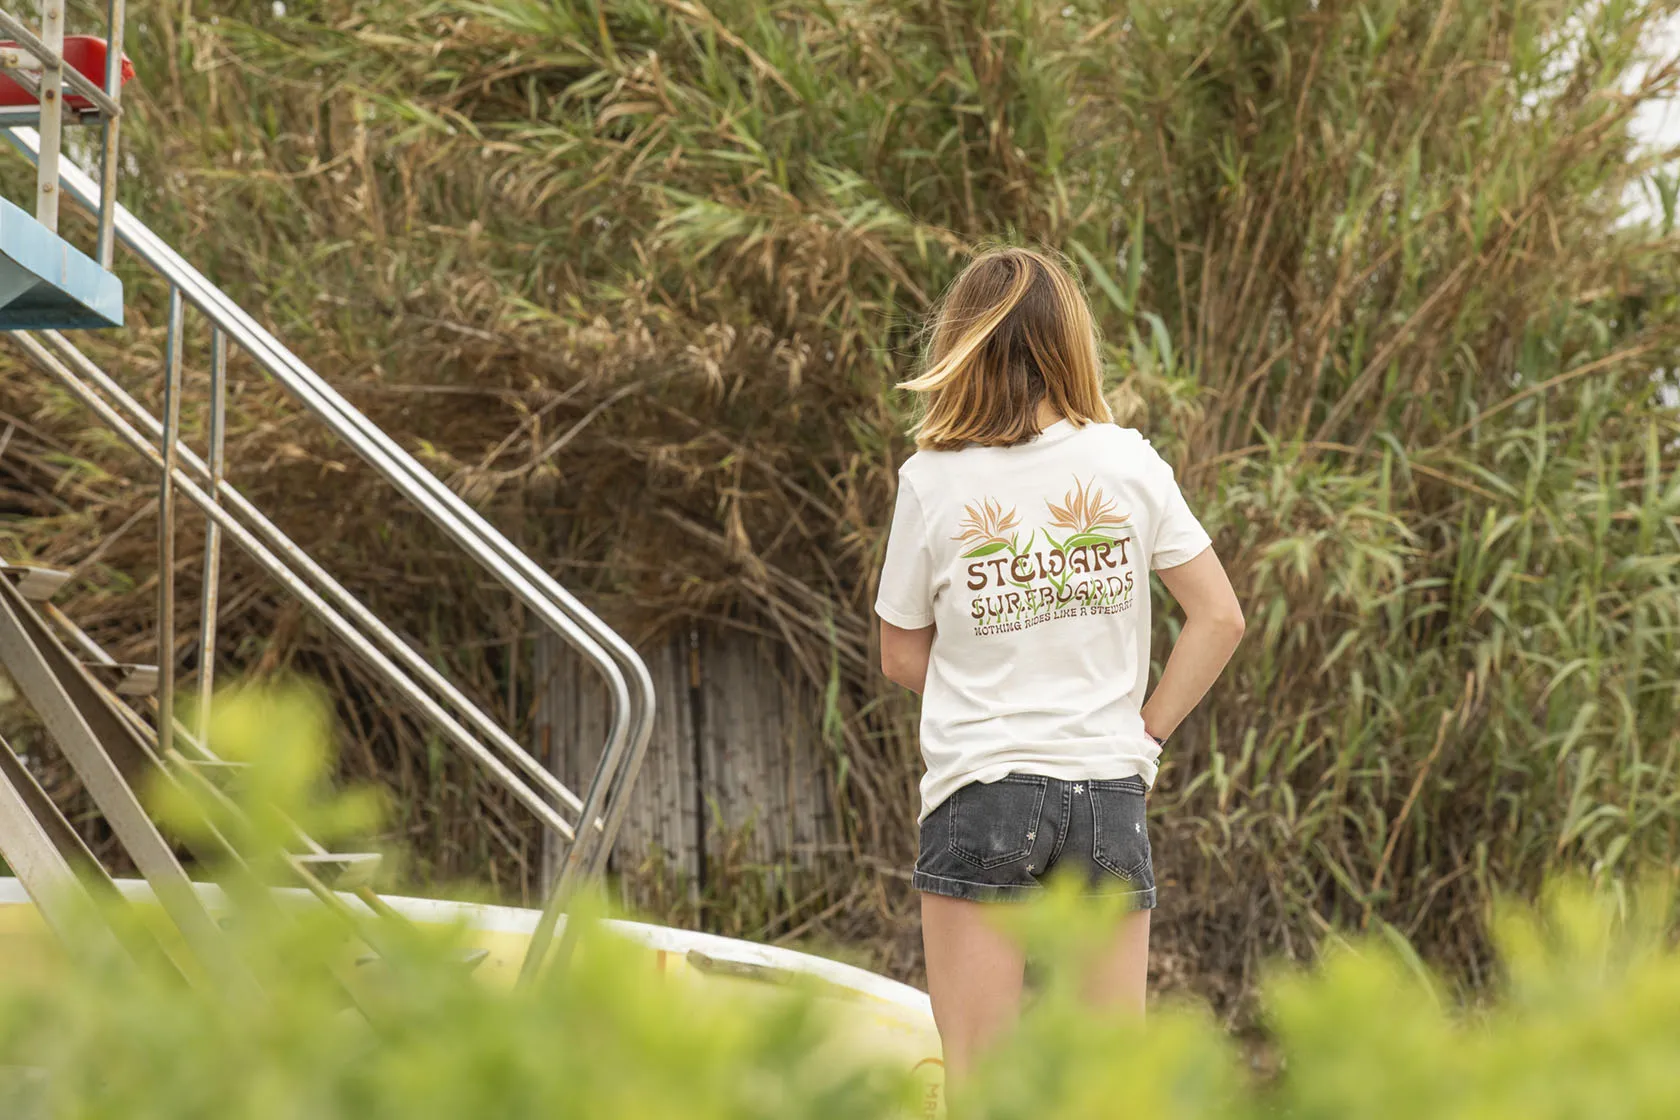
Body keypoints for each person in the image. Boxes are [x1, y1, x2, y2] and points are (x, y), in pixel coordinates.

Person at [873, 245, 1245, 1092]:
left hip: (982, 789)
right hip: (1108, 795)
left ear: (961, 346)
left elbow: (900, 652)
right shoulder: (1128, 462)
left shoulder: (931, 481)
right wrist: (1142, 735)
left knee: (980, 1081)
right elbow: (1219, 617)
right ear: (1069, 344)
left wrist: (991, 687)